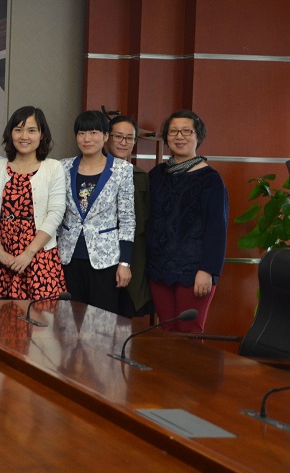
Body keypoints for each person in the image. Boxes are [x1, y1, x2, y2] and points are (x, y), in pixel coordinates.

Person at [147, 110, 228, 333]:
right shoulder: (157, 175)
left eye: (186, 131)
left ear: (198, 136)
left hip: (194, 271)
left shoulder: (210, 179)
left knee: (189, 334)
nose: (179, 136)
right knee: (167, 333)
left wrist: (207, 270)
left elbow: (217, 229)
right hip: (158, 269)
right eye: (173, 131)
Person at [0, 106, 67, 300]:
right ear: (10, 133)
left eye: (31, 130)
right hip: (1, 257)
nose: (24, 136)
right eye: (18, 130)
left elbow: (56, 213)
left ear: (42, 134)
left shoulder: (53, 167)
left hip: (39, 255)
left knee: (41, 315)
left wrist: (29, 253)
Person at [56, 111, 135, 315]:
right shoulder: (63, 167)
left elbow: (127, 219)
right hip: (68, 257)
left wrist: (124, 262)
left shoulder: (122, 170)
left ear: (106, 136)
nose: (87, 139)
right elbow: (56, 213)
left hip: (105, 260)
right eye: (81, 133)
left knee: (101, 323)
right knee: (67, 320)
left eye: (93, 133)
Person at [106, 115, 153, 317]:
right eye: (118, 136)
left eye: (129, 138)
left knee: (126, 320)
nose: (123, 142)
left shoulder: (141, 177)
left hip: (132, 258)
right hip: (97, 259)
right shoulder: (90, 171)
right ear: (107, 137)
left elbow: (146, 222)